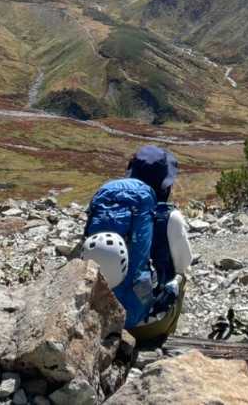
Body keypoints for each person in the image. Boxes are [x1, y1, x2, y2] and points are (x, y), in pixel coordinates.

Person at [82, 145, 191, 346]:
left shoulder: (107, 207)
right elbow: (184, 264)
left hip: (99, 320)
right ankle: (161, 336)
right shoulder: (170, 217)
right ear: (165, 184)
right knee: (182, 277)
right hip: (144, 327)